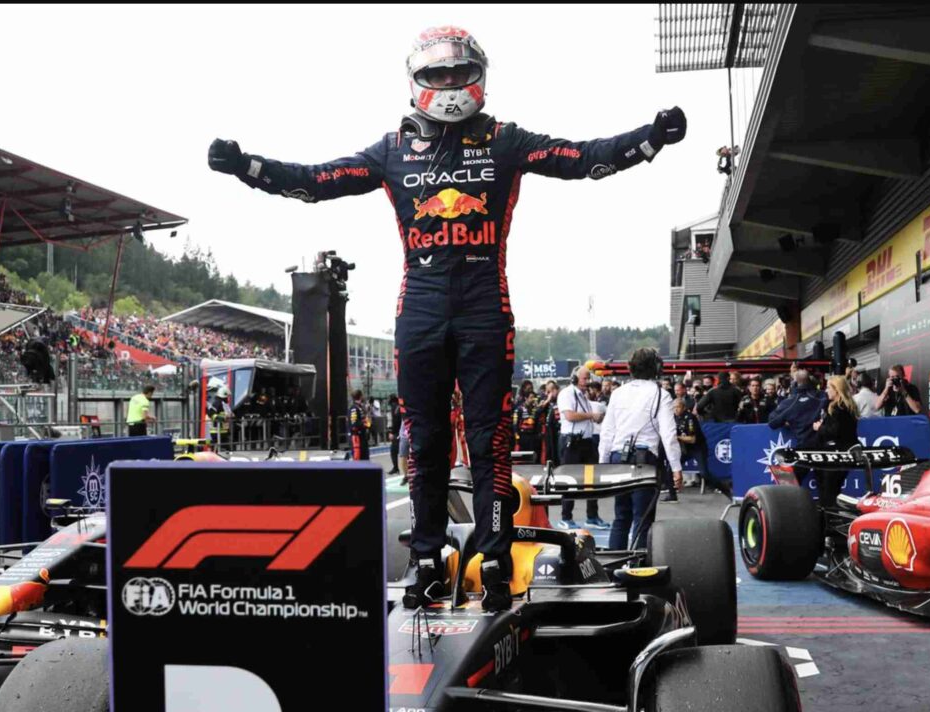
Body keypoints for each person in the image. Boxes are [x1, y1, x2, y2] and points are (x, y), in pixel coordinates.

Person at [209, 25, 687, 612]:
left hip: (486, 304)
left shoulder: (505, 140)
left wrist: (648, 139)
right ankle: (427, 555)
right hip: (422, 308)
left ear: (481, 76)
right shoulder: (391, 149)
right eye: (438, 75)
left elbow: (580, 158)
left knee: (491, 441)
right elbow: (317, 180)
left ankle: (492, 553)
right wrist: (249, 167)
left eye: (461, 73)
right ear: (416, 82)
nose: (451, 84)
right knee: (428, 440)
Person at [599, 348, 681, 549]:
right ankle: (639, 569)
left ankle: (614, 566)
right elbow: (668, 434)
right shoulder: (661, 394)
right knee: (643, 519)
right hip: (644, 460)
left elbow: (607, 432)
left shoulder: (617, 393)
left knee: (621, 517)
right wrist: (676, 467)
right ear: (656, 369)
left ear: (631, 368)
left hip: (618, 458)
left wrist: (602, 463)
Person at [557, 367, 606, 529]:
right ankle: (566, 516)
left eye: (587, 378)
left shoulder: (583, 395)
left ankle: (592, 516)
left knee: (591, 481)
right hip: (572, 442)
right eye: (584, 378)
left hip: (586, 442)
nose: (587, 382)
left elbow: (584, 416)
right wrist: (591, 415)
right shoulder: (567, 394)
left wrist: (595, 418)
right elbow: (569, 415)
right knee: (570, 480)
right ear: (575, 378)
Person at [812, 375, 860, 506]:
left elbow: (836, 431)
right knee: (832, 492)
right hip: (840, 455)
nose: (826, 390)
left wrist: (820, 427)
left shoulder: (839, 408)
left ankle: (828, 522)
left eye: (828, 387)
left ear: (837, 390)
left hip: (835, 456)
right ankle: (829, 520)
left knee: (828, 494)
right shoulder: (846, 406)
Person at [674, 397, 733, 499]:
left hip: (697, 448)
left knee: (704, 473)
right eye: (673, 407)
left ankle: (724, 487)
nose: (675, 409)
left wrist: (677, 437)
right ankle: (671, 493)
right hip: (685, 449)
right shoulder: (673, 418)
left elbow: (692, 439)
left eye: (677, 407)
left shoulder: (690, 418)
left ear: (683, 407)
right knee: (671, 465)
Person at [767, 370, 824, 449]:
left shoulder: (790, 403)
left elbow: (772, 422)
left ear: (794, 383)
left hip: (805, 446)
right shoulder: (823, 397)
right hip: (827, 445)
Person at [513, 380, 540, 459]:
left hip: (532, 436)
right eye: (531, 398)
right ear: (526, 398)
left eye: (533, 398)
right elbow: (515, 424)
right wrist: (517, 437)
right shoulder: (519, 409)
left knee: (532, 456)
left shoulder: (535, 409)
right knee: (521, 456)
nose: (532, 400)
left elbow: (537, 422)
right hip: (522, 436)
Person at [349, 389, 370, 461]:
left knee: (365, 456)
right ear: (360, 396)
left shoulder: (361, 407)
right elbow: (354, 424)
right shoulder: (354, 408)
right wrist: (364, 424)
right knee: (357, 457)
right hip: (357, 436)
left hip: (363, 436)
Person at [388, 394, 402, 474]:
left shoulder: (395, 407)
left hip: (398, 432)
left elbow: (395, 421)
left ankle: (396, 468)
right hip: (403, 431)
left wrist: (392, 432)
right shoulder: (400, 406)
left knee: (393, 450)